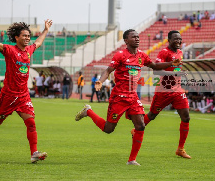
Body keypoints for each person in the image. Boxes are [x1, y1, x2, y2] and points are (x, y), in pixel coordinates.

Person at [75, 29, 181, 166]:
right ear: (126, 40)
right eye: (133, 37)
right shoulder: (120, 55)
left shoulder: (142, 55)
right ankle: (88, 111)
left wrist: (172, 64)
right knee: (108, 129)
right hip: (119, 97)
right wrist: (100, 81)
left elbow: (154, 66)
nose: (137, 39)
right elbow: (108, 70)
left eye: (138, 37)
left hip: (133, 96)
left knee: (141, 125)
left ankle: (132, 160)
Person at [0, 17, 53, 163]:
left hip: (23, 96)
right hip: (8, 96)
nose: (28, 38)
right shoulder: (10, 50)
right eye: (24, 36)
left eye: (29, 36)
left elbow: (39, 42)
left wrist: (46, 30)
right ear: (17, 37)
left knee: (31, 123)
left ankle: (34, 153)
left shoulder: (29, 50)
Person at [130, 30, 191, 159]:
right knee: (152, 115)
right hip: (164, 91)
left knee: (186, 117)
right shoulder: (164, 52)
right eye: (175, 39)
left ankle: (180, 149)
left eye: (180, 39)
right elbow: (157, 71)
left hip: (177, 90)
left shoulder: (180, 53)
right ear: (168, 40)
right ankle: (135, 130)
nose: (179, 41)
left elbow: (176, 69)